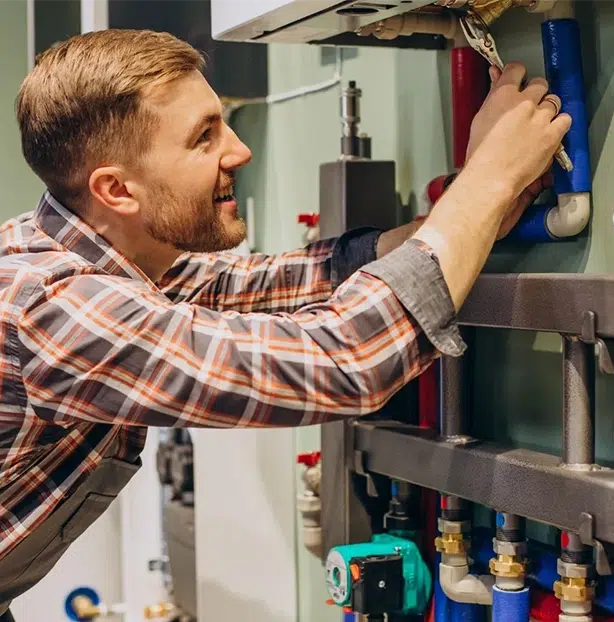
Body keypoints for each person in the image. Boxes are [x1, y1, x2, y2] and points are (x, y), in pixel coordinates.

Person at [0, 27, 570, 618]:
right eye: (204, 137)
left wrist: (463, 217)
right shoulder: (53, 309)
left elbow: (259, 288)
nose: (239, 150)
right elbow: (342, 361)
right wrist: (489, 181)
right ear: (117, 189)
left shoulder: (93, 256)